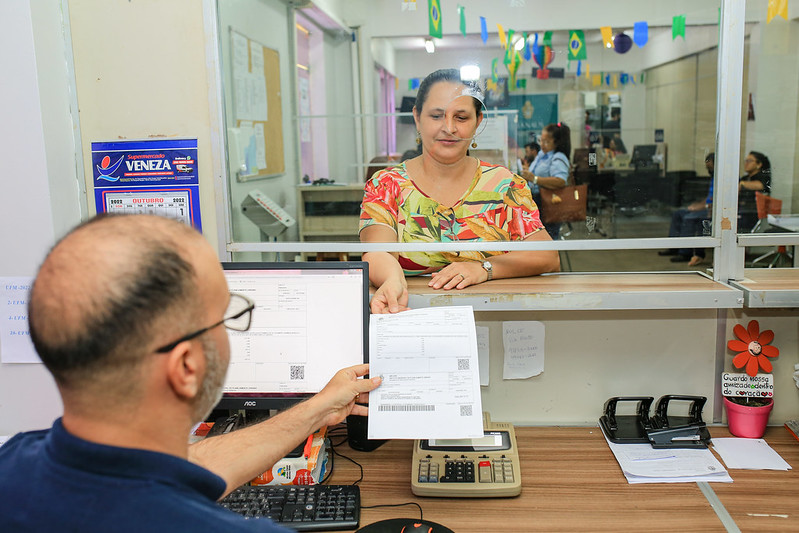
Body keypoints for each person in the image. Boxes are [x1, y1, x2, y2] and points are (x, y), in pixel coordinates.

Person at [0, 214, 382, 533]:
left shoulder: (14, 460)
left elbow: (184, 470)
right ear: (186, 366)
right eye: (227, 316)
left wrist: (317, 409)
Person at [359, 68, 559, 314]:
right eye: (436, 116)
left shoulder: (506, 185)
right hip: (408, 313)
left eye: (461, 117)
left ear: (478, 122)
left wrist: (483, 268)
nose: (449, 128)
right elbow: (377, 253)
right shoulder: (387, 184)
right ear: (417, 118)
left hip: (498, 319)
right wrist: (391, 280)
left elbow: (547, 256)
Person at [659, 153, 714, 266]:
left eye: (709, 165)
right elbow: (709, 197)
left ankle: (685, 252)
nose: (707, 168)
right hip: (706, 206)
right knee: (678, 213)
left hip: (711, 211)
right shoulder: (713, 178)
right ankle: (675, 246)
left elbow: (716, 200)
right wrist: (698, 204)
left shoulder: (723, 179)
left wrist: (702, 207)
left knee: (689, 218)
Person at [521, 122, 571, 240]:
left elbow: (560, 181)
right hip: (536, 202)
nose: (542, 144)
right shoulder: (542, 155)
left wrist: (535, 178)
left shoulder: (558, 157)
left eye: (546, 141)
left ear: (556, 142)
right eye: (541, 140)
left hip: (548, 202)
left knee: (548, 238)